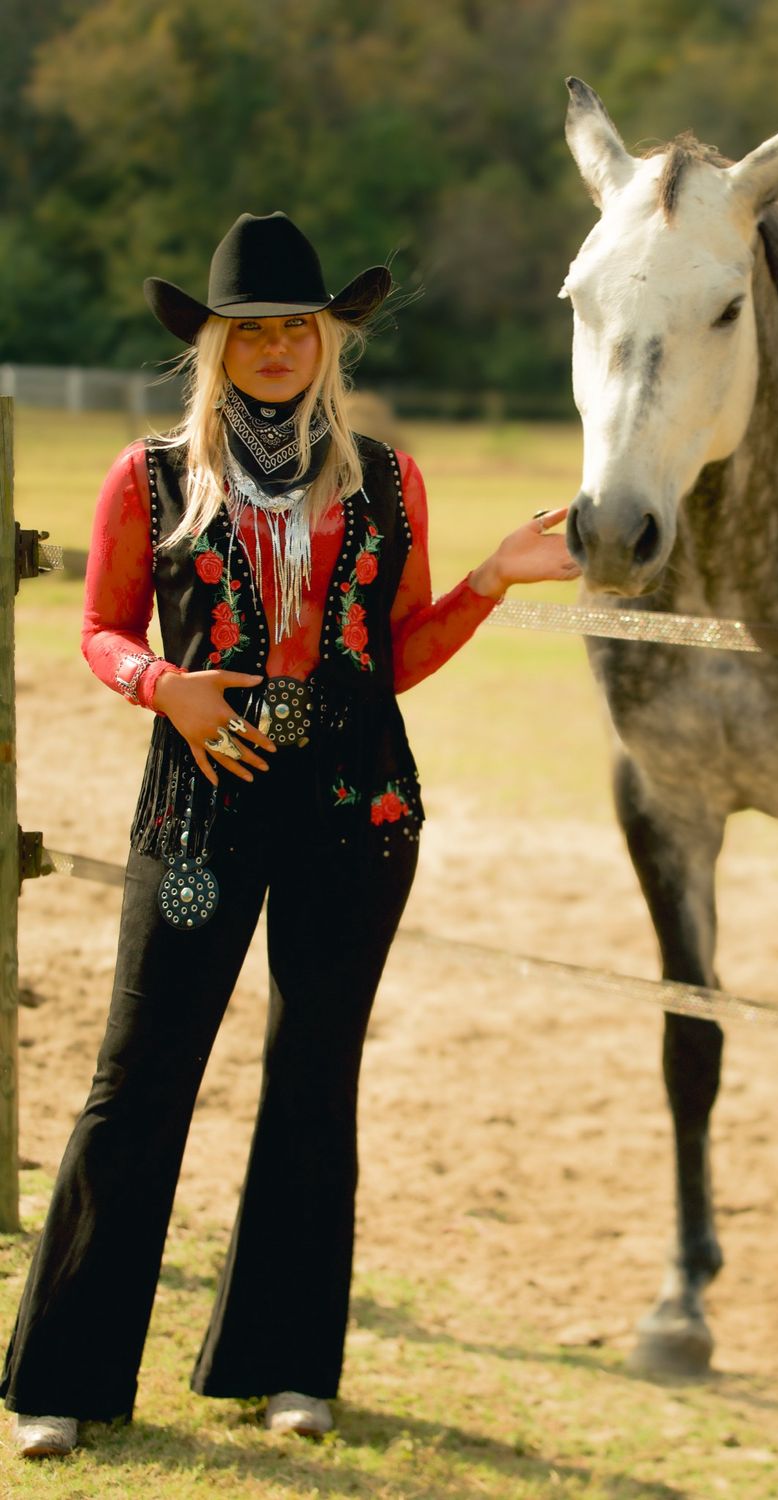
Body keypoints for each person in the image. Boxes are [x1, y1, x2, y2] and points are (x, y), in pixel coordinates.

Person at [2, 211, 579, 1459]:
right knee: (137, 1080)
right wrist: (164, 687)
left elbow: (393, 658)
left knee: (316, 1081)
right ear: (216, 345)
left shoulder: (388, 480)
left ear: (329, 341)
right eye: (252, 330)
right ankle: (65, 1377)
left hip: (356, 810)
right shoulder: (149, 475)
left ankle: (288, 1365)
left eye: (297, 329)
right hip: (198, 803)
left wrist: (490, 578)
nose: (276, 348)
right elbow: (100, 629)